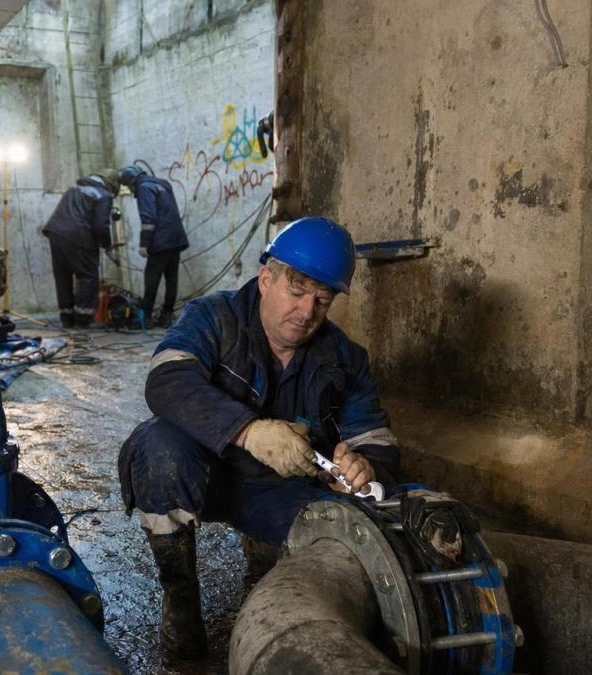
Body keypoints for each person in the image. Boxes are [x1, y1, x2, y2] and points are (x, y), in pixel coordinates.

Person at [116, 217, 401, 660]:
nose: (307, 312)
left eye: (322, 300)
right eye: (297, 290)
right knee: (159, 450)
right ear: (266, 279)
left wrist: (366, 466)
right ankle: (180, 596)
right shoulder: (213, 316)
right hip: (205, 472)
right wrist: (248, 431)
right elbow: (166, 380)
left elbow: (375, 436)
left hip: (279, 490)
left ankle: (266, 563)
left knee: (341, 536)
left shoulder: (345, 358)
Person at [41, 169, 122, 329]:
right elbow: (100, 225)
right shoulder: (103, 194)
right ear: (111, 184)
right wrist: (107, 244)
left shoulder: (74, 189)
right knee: (88, 275)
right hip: (78, 234)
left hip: (55, 232)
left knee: (63, 275)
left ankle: (67, 317)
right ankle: (83, 319)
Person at [118, 164, 188, 328]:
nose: (129, 188)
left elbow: (149, 219)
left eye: (128, 185)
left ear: (131, 181)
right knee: (171, 279)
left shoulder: (143, 188)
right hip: (176, 238)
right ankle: (166, 317)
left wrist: (144, 244)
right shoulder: (163, 183)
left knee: (151, 278)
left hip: (160, 240)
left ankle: (146, 317)